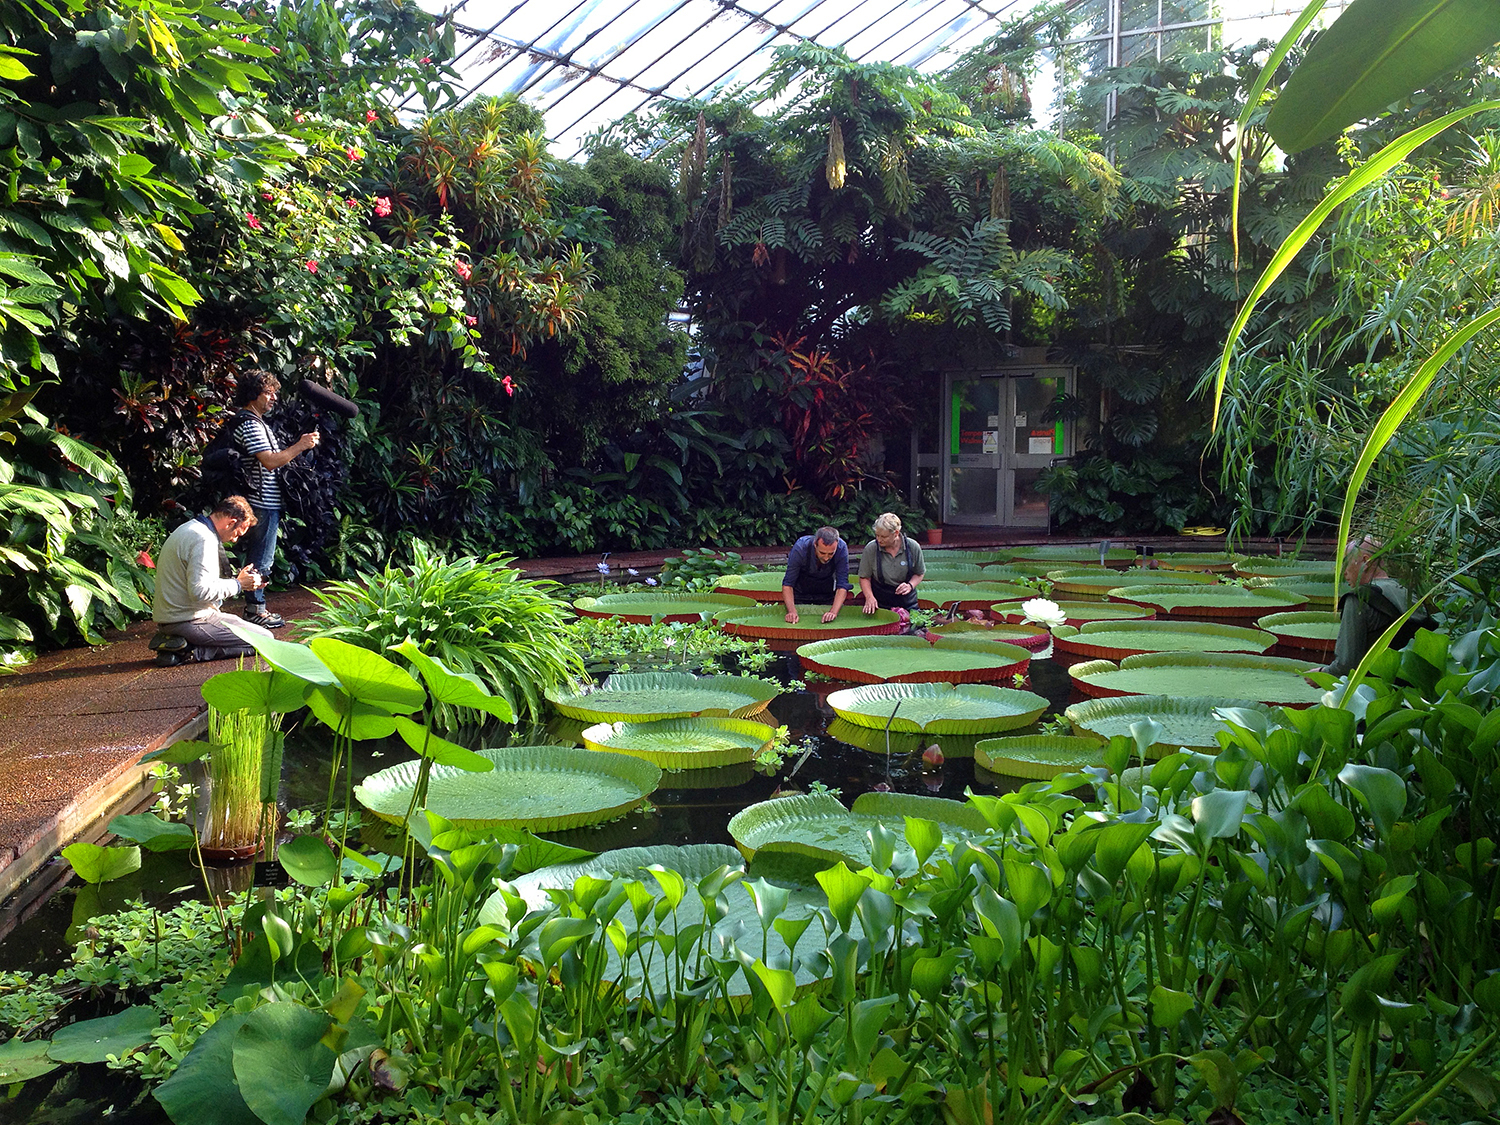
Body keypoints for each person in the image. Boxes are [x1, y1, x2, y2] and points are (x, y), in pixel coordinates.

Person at [232, 370, 320, 629]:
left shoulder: (256, 422)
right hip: (261, 500)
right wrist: (300, 446)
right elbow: (270, 462)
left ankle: (255, 607)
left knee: (260, 556)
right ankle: (255, 610)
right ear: (252, 395)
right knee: (261, 558)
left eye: (275, 393)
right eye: (268, 393)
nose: (273, 398)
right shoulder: (249, 424)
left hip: (264, 499)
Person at [149, 496, 273, 666]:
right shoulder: (203, 539)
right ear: (230, 523)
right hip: (189, 620)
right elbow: (199, 592)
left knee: (252, 632)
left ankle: (178, 643)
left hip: (172, 618)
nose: (235, 539)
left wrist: (240, 581)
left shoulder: (190, 528)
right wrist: (239, 584)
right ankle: (190, 651)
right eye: (237, 533)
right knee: (266, 640)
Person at [1317, 535, 1415, 676]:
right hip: (1413, 691)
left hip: (1373, 691)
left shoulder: (1359, 599)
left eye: (1346, 563)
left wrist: (1322, 673)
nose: (1343, 572)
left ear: (1365, 560)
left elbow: (1346, 666)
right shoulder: (1409, 593)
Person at [781, 526, 851, 624]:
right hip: (800, 594)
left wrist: (833, 612)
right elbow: (788, 584)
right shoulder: (801, 547)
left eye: (831, 554)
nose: (826, 558)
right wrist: (792, 612)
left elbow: (842, 585)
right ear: (815, 544)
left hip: (826, 594)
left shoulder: (841, 548)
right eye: (822, 553)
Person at [859, 512, 925, 613]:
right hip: (880, 602)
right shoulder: (871, 548)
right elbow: (864, 577)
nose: (879, 540)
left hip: (907, 602)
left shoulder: (912, 547)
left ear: (896, 533)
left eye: (884, 537)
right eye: (877, 535)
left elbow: (919, 573)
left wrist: (910, 585)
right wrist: (869, 597)